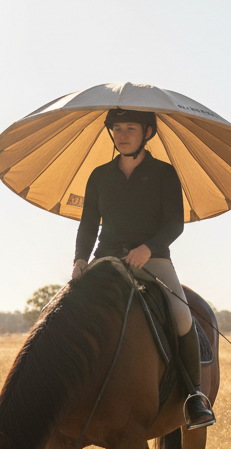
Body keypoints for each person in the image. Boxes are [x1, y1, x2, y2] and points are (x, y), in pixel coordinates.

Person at [71, 107, 216, 429]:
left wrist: (147, 248)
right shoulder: (98, 176)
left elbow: (175, 224)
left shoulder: (165, 174)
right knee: (60, 310)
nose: (122, 135)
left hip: (154, 259)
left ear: (147, 133)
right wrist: (80, 259)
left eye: (130, 128)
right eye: (117, 128)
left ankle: (194, 397)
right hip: (105, 259)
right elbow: (87, 225)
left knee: (181, 317)